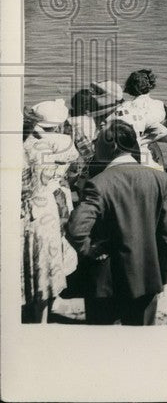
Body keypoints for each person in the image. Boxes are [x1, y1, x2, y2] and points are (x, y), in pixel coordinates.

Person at [66, 121, 167, 326]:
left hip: (104, 281)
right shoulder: (161, 180)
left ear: (112, 146)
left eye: (97, 141)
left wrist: (88, 249)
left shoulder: (99, 183)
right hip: (146, 277)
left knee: (102, 349)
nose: (94, 145)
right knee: (141, 348)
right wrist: (162, 273)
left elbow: (75, 229)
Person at [21, 100, 79, 323]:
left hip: (33, 205)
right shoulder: (65, 142)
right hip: (53, 202)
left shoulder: (27, 144)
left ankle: (31, 311)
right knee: (49, 258)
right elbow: (74, 168)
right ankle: (46, 311)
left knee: (32, 257)